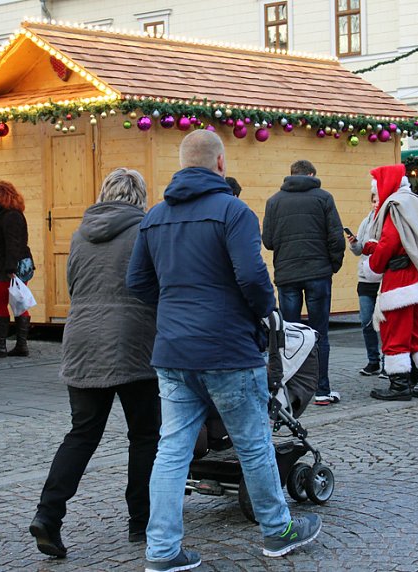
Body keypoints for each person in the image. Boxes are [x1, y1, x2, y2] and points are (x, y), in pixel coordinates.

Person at [127, 130, 321, 572]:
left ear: (182, 165)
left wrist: (175, 308)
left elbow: (137, 283)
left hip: (174, 351)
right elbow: (253, 278)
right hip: (228, 348)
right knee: (254, 445)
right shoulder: (234, 211)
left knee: (172, 451)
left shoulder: (154, 217)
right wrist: (264, 313)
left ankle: (161, 551)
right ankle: (278, 531)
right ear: (220, 164)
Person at [29, 168, 161, 559]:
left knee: (82, 434)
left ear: (104, 193)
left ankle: (47, 515)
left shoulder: (79, 233)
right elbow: (153, 286)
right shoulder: (146, 231)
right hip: (135, 340)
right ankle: (142, 520)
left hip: (82, 339)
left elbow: (74, 285)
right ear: (140, 196)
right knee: (144, 436)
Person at [262, 159, 345, 405]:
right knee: (320, 332)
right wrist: (333, 266)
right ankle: (321, 389)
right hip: (318, 274)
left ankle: (289, 390)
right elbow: (336, 237)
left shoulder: (274, 201)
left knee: (288, 333)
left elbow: (268, 241)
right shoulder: (324, 198)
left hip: (287, 275)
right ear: (311, 174)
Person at [361, 164, 418, 402]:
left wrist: (373, 262)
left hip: (400, 282)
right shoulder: (414, 201)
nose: (376, 198)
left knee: (394, 332)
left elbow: (389, 243)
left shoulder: (395, 206)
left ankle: (399, 386)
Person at [0, 181, 34, 358]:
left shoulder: (10, 216)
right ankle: (20, 346)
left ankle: (0, 346)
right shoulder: (8, 215)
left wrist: (10, 267)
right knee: (18, 303)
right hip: (11, 265)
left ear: (3, 195)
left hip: (9, 267)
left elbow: (13, 244)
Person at [347, 182, 384, 376]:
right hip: (365, 279)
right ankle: (373, 360)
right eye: (373, 201)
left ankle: (389, 361)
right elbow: (359, 250)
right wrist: (354, 244)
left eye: (378, 200)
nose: (375, 204)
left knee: (385, 323)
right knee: (366, 321)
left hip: (384, 280)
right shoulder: (366, 221)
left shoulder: (388, 220)